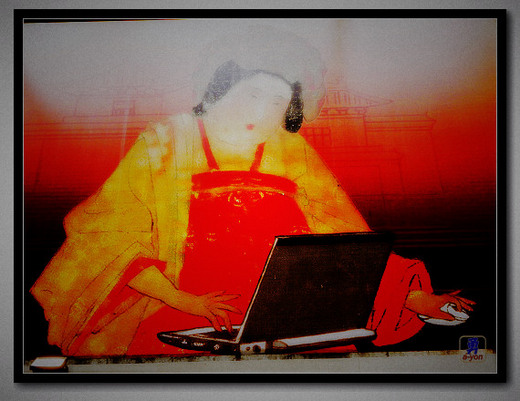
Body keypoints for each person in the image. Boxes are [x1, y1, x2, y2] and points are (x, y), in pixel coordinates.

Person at [30, 27, 474, 357]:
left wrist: (414, 298)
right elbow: (106, 235)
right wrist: (183, 301)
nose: (260, 113)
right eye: (251, 93)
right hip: (183, 318)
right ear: (220, 87)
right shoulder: (166, 141)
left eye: (277, 102)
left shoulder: (292, 151)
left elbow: (344, 242)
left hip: (290, 320)